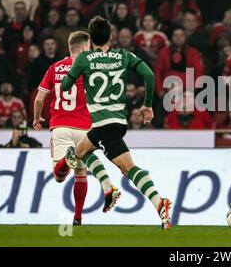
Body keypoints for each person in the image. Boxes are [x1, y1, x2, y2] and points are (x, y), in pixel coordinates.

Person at [61, 16, 172, 229]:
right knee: (82, 150)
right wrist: (147, 105)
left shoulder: (84, 58)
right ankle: (108, 187)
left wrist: (75, 69)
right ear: (110, 37)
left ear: (91, 39)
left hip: (104, 125)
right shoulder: (123, 55)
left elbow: (66, 86)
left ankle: (159, 202)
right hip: (118, 122)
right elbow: (149, 74)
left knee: (129, 169)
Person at [33, 31, 117, 225]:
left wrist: (37, 118)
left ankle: (65, 160)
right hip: (85, 130)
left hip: (61, 126)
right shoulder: (91, 69)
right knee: (81, 174)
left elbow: (39, 99)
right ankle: (78, 217)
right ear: (84, 47)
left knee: (59, 176)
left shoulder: (54, 68)